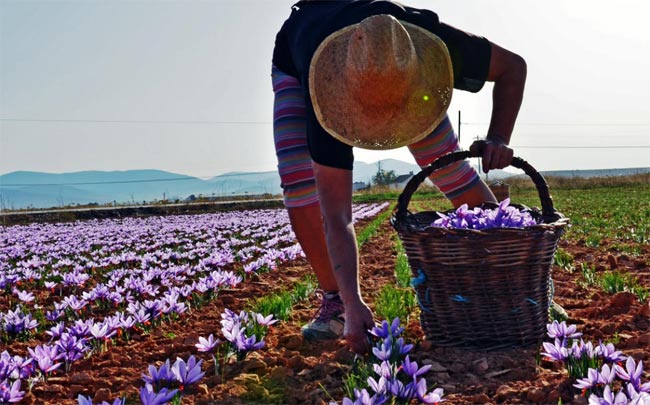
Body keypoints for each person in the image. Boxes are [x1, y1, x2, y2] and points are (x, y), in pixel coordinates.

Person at [271, 0, 526, 355]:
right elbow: (337, 214)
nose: (383, 124)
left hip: (408, 84)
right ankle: (335, 305)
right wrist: (352, 298)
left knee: (449, 165)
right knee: (300, 185)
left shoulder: (424, 42)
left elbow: (514, 67)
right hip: (301, 62)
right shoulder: (325, 98)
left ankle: (519, 285)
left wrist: (499, 137)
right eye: (372, 112)